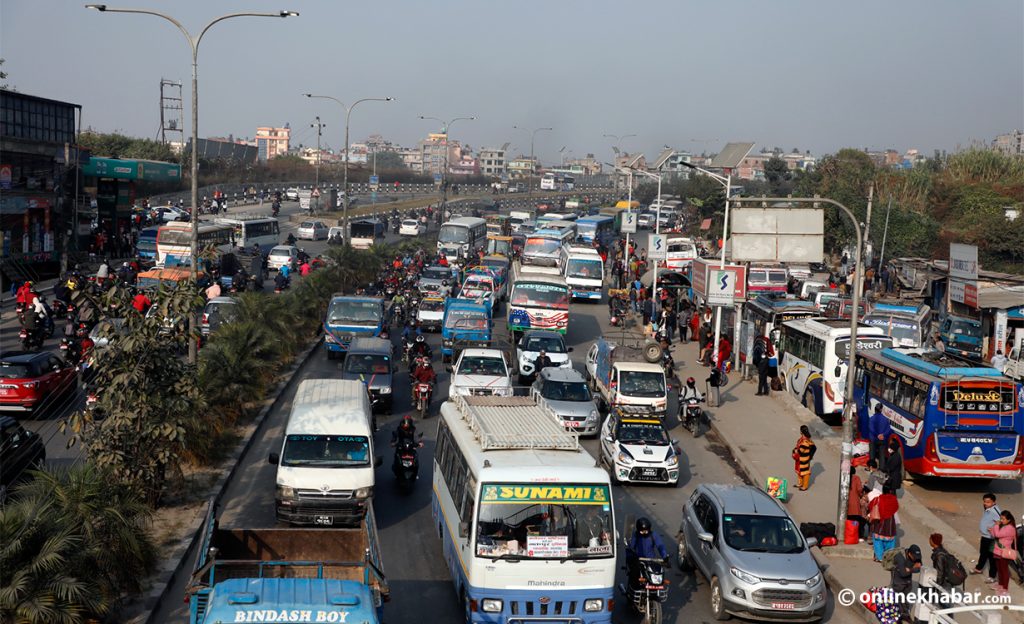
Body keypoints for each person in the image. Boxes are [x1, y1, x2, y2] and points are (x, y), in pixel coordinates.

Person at [626, 518, 669, 592]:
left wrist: (665, 556)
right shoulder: (635, 536)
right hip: (639, 561)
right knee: (634, 576)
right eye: (642, 531)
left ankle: (655, 592)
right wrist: (631, 557)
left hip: (651, 560)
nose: (644, 533)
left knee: (657, 574)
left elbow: (660, 545)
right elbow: (631, 547)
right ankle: (632, 591)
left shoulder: (653, 535)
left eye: (646, 531)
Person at [971, 493, 1002, 582]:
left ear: (994, 502)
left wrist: (994, 529)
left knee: (992, 558)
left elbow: (1000, 522)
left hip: (991, 538)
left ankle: (992, 576)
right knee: (983, 553)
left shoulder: (995, 511)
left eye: (988, 502)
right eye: (984, 502)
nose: (985, 504)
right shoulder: (988, 508)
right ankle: (979, 568)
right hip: (985, 536)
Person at [990, 509, 1017, 596]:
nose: (1001, 520)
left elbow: (998, 535)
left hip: (1003, 552)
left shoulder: (1010, 528)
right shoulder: (1003, 526)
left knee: (1004, 570)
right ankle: (1000, 585)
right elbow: (994, 535)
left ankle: (1005, 589)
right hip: (998, 551)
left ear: (1009, 520)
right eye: (1001, 518)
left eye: (1003, 519)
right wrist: (993, 529)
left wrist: (996, 526)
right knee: (999, 569)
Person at [890, 544, 922, 610]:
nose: (916, 559)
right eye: (914, 557)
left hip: (908, 580)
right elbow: (903, 573)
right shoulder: (900, 557)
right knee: (897, 596)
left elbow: (920, 568)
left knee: (907, 596)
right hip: (898, 579)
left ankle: (906, 612)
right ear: (909, 554)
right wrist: (913, 568)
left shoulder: (917, 556)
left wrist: (909, 570)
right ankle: (895, 611)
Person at [792, 425, 816, 491]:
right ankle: (800, 483)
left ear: (801, 432)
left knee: (805, 472)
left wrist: (795, 451)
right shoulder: (804, 439)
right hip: (800, 459)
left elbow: (800, 450)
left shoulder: (805, 441)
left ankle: (805, 486)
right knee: (799, 471)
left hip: (803, 459)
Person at [868, 403, 891, 468]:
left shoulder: (872, 418)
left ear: (875, 410)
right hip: (882, 440)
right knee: (882, 455)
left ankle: (872, 468)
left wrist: (877, 435)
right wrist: (883, 435)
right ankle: (881, 469)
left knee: (872, 454)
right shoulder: (886, 419)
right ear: (881, 410)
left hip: (874, 439)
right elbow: (889, 429)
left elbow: (871, 428)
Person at [847, 467, 866, 542]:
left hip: (847, 503)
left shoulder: (845, 477)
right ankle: (858, 536)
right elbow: (859, 489)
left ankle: (849, 535)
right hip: (854, 502)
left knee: (849, 521)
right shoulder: (856, 478)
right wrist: (862, 494)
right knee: (856, 521)